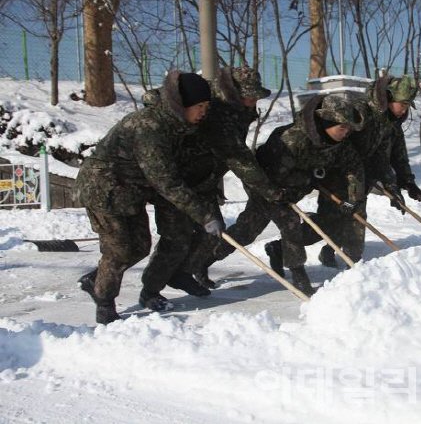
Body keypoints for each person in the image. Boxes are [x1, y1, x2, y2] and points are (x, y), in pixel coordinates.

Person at [75, 71, 223, 324]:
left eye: (206, 106)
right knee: (119, 249)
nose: (203, 112)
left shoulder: (173, 124)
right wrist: (204, 214)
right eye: (199, 106)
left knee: (140, 247)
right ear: (183, 104)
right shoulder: (150, 127)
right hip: (104, 189)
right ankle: (105, 304)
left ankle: (97, 279)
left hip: (130, 191)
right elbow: (165, 180)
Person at [182, 94, 366, 296]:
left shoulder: (338, 144)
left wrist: (353, 198)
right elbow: (269, 175)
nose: (346, 133)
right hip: (265, 187)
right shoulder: (293, 139)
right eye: (342, 128)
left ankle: (203, 261)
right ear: (325, 123)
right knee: (290, 223)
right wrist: (300, 182)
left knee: (246, 230)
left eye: (349, 129)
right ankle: (299, 276)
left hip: (289, 191)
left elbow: (354, 168)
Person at [140, 66, 287, 296]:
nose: (252, 101)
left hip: (206, 177)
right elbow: (237, 156)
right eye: (249, 95)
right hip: (181, 179)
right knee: (176, 238)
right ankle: (150, 290)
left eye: (254, 96)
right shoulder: (213, 105)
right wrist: (270, 190)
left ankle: (185, 273)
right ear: (234, 91)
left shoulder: (238, 107)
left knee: (213, 232)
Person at [272, 74, 421, 268]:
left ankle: (351, 265)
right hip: (336, 175)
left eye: (407, 105)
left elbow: (391, 155)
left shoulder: (390, 121)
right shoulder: (362, 112)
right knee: (329, 222)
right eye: (402, 104)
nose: (404, 110)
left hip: (359, 176)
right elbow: (335, 142)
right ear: (388, 97)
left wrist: (402, 182)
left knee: (353, 223)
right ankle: (281, 248)